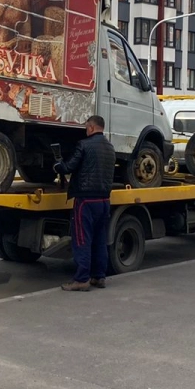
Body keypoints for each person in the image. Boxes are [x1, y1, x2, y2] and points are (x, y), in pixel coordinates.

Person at [54, 115, 116, 291]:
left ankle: (82, 279)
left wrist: (58, 164)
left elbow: (69, 167)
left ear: (90, 127)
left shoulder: (84, 145)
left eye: (86, 127)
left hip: (86, 201)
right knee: (100, 239)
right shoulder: (110, 147)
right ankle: (99, 277)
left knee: (82, 240)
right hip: (104, 200)